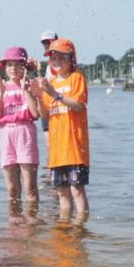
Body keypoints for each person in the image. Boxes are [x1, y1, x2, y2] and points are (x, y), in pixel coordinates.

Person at [38, 38, 89, 220]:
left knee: (76, 190)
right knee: (61, 193)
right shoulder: (50, 84)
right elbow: (44, 115)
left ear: (71, 59)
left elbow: (78, 105)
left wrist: (55, 94)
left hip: (75, 147)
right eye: (53, 58)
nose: (57, 61)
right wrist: (36, 95)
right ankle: (65, 226)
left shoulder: (77, 78)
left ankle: (80, 227)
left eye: (62, 58)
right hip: (57, 151)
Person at [0, 46, 41, 206]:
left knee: (30, 188)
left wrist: (25, 89)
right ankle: (14, 223)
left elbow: (35, 114)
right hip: (6, 134)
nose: (14, 68)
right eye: (10, 65)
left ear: (24, 67)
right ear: (5, 67)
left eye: (18, 64)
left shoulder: (31, 85)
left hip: (25, 132)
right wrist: (1, 92)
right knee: (12, 189)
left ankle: (32, 225)